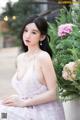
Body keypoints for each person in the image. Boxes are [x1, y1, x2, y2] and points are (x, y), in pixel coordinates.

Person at [0, 15, 65, 120]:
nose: (27, 36)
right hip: (27, 108)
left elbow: (54, 93)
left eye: (33, 32)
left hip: (43, 112)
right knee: (2, 112)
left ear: (42, 37)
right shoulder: (20, 58)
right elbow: (27, 89)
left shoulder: (43, 57)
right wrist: (15, 100)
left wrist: (24, 102)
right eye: (26, 31)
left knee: (2, 113)